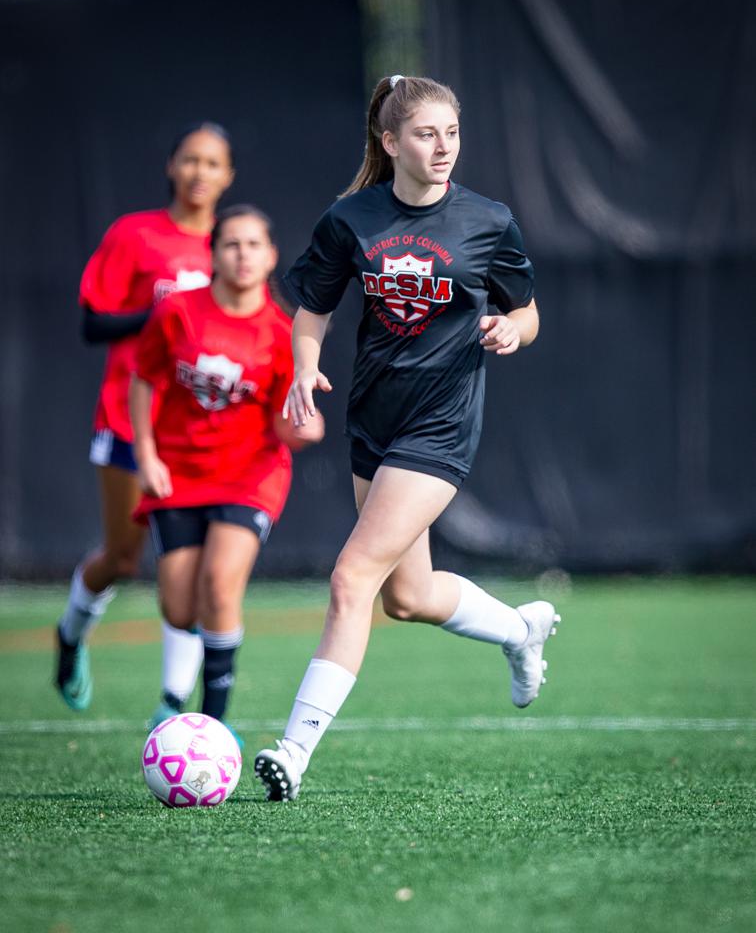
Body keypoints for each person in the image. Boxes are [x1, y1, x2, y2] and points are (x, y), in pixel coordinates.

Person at [254, 74, 560, 802]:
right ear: (390, 143)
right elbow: (312, 312)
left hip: (441, 424)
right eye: (426, 133)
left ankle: (293, 753)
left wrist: (510, 329)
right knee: (407, 596)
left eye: (452, 132)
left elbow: (530, 312)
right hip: (373, 419)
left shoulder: (488, 220)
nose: (443, 146)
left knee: (350, 577)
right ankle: (520, 633)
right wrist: (303, 369)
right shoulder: (351, 219)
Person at [55, 123, 235, 725]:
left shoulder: (232, 245)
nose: (199, 172)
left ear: (227, 176)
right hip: (128, 417)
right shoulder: (135, 235)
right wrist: (161, 316)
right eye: (190, 160)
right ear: (172, 166)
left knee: (191, 566)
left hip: (195, 432)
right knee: (123, 557)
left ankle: (173, 705)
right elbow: (91, 325)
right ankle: (71, 634)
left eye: (212, 163)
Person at [129, 205, 324, 734]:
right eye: (232, 244)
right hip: (178, 470)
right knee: (178, 604)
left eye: (254, 245)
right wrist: (145, 457)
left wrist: (304, 427)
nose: (243, 255)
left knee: (219, 585)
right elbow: (143, 379)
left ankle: (210, 724)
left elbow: (289, 422)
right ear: (213, 254)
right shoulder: (178, 312)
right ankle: (177, 692)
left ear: (272, 255)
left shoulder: (283, 331)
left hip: (249, 474)